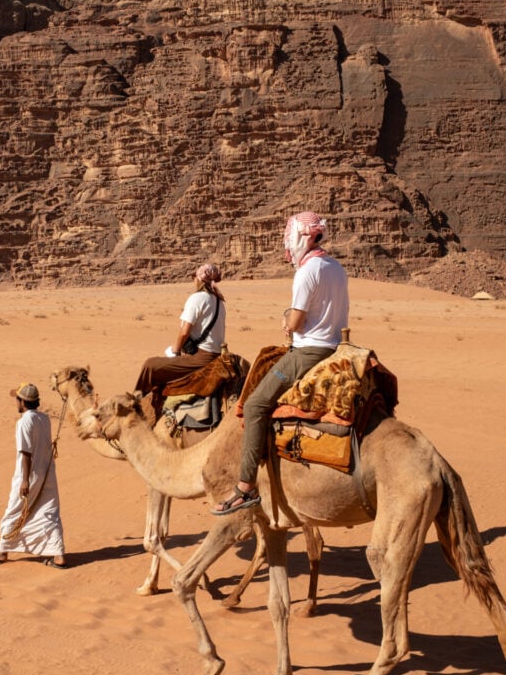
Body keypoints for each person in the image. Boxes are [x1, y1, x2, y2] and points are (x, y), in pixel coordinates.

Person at [212, 211, 349, 515]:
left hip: (309, 352)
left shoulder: (307, 272)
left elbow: (298, 322)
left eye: (289, 237)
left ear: (302, 237)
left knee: (254, 404)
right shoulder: (336, 267)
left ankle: (245, 487)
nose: (286, 244)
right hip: (338, 349)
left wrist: (287, 319)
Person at [0, 381, 66, 567]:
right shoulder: (44, 418)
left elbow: (25, 452)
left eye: (17, 399)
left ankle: (1, 552)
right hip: (47, 473)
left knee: (15, 511)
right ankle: (59, 556)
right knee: (49, 512)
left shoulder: (24, 422)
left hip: (29, 475)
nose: (16, 403)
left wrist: (24, 480)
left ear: (23, 402)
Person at [134, 262, 227, 410]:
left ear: (199, 280)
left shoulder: (197, 298)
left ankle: (136, 404)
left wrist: (175, 352)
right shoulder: (219, 301)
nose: (193, 281)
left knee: (150, 365)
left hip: (201, 358)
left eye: (194, 277)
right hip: (216, 354)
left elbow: (184, 332)